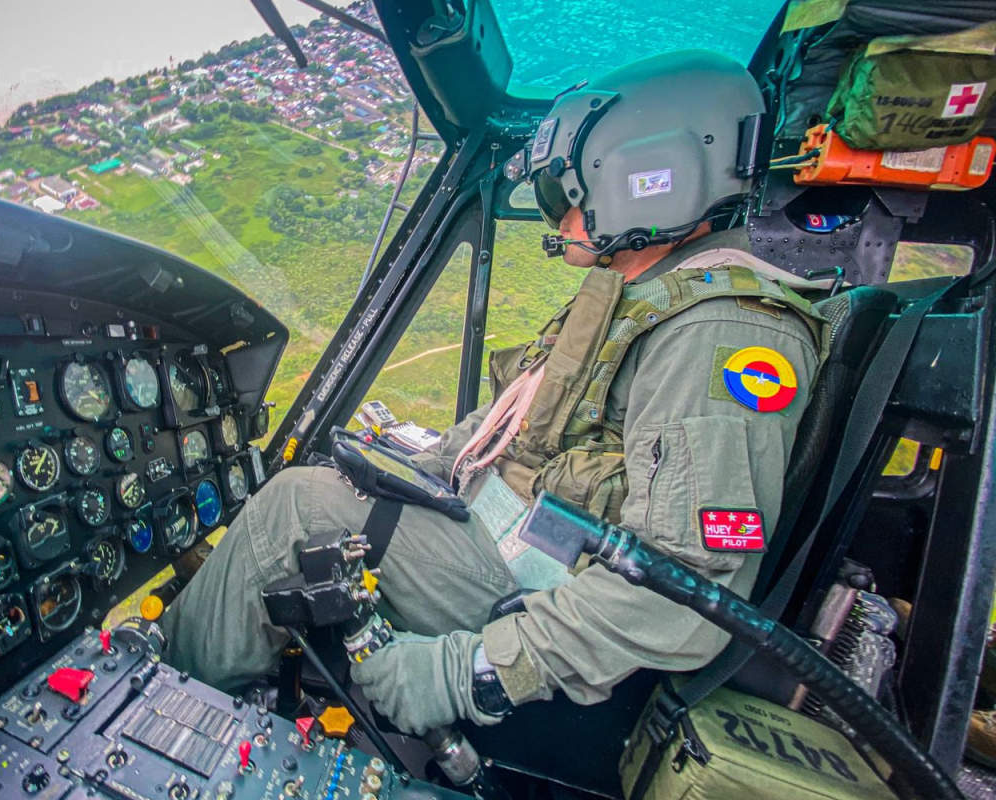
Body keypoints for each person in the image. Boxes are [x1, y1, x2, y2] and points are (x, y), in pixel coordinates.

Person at [163, 50, 830, 736]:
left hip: (540, 592)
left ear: (643, 174)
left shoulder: (721, 332)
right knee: (337, 479)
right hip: (512, 538)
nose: (560, 207)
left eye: (571, 186)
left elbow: (687, 594)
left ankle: (159, 710)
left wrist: (471, 671)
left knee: (293, 509)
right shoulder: (641, 295)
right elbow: (527, 428)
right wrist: (408, 473)